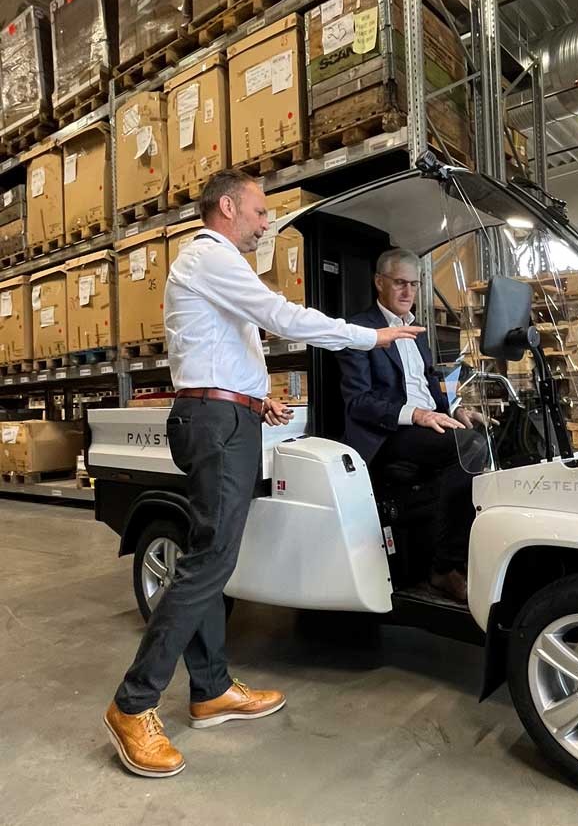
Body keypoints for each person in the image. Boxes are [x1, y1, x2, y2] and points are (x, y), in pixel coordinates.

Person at [104, 171, 424, 778]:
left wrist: (256, 398)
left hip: (231, 415)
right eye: (258, 211)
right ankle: (132, 703)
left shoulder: (221, 267)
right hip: (216, 422)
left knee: (213, 558)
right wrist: (370, 336)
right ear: (227, 208)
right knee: (208, 564)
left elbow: (224, 347)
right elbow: (283, 317)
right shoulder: (210, 256)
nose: (265, 222)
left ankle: (210, 689)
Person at [336, 248, 483, 603]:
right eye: (400, 283)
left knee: (491, 438)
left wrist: (456, 410)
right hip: (388, 431)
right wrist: (415, 414)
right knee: (469, 447)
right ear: (379, 282)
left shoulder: (416, 331)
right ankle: (443, 569)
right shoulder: (360, 330)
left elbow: (429, 383)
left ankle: (466, 550)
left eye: (414, 285)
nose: (408, 292)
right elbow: (358, 402)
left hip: (424, 424)